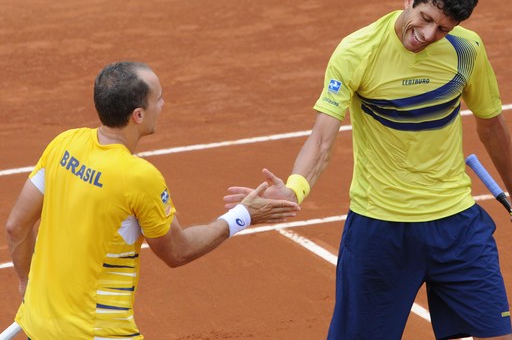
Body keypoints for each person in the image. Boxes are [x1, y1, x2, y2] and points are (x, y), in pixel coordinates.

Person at [224, 0, 512, 340]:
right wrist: (294, 189)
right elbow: (323, 139)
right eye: (424, 18)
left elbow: (491, 125)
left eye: (442, 29)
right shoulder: (358, 52)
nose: (426, 34)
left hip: (456, 225)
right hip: (381, 230)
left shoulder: (467, 50)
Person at [5, 61, 300, 339]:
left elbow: (17, 226)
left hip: (37, 323)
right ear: (138, 115)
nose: (163, 104)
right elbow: (178, 251)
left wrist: (25, 283)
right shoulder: (138, 176)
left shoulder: (63, 144)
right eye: (158, 98)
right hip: (98, 332)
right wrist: (244, 215)